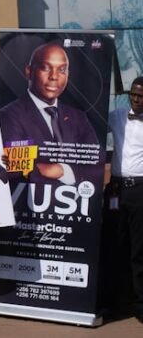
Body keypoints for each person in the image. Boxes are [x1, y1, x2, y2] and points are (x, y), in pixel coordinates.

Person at [0, 42, 97, 185]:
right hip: (31, 204)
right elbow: (16, 170)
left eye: (62, 70)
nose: (54, 77)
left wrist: (62, 170)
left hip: (76, 202)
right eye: (45, 68)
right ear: (28, 71)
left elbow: (96, 164)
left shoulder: (78, 117)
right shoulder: (8, 116)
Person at [107, 76, 143, 324]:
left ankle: (140, 305)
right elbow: (89, 118)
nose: (137, 99)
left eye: (141, 96)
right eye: (134, 94)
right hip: (116, 191)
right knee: (115, 246)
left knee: (139, 251)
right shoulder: (117, 115)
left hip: (140, 190)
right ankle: (116, 303)